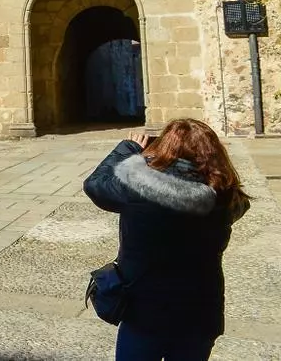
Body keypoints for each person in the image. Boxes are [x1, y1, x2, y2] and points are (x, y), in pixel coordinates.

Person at [83, 119, 250, 361]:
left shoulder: (137, 186)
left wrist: (128, 148)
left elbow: (95, 185)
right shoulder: (224, 196)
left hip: (146, 309)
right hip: (201, 308)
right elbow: (240, 205)